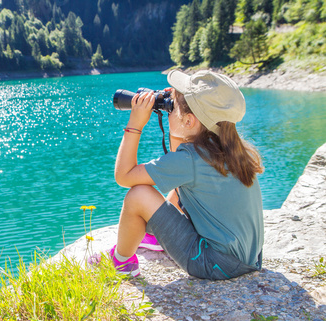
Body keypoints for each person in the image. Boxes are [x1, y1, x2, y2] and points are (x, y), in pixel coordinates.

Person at [110, 70, 264, 280]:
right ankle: (160, 238)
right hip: (249, 258)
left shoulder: (190, 160)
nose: (168, 110)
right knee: (180, 184)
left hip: (215, 264)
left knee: (138, 194)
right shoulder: (231, 148)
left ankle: (121, 262)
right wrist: (178, 107)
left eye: (171, 108)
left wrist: (135, 123)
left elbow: (124, 176)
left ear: (190, 122)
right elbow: (180, 162)